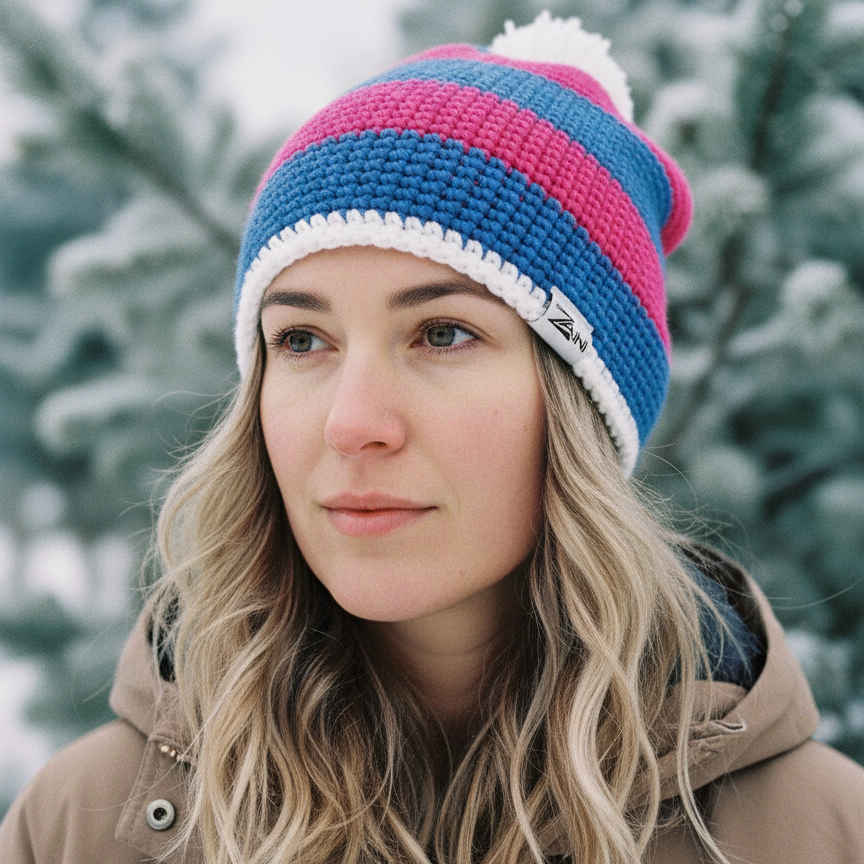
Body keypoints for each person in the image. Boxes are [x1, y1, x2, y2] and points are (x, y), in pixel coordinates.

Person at [2, 12, 863, 864]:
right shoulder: (84, 826)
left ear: (581, 405)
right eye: (301, 341)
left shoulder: (818, 833)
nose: (352, 423)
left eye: (443, 333)